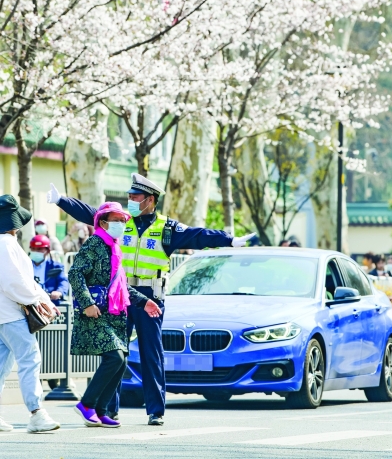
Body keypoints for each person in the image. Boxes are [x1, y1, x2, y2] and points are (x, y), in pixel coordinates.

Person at [47, 174, 254, 426]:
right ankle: (109, 410)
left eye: (135, 197)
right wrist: (61, 200)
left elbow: (198, 235)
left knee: (151, 354)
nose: (130, 201)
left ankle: (156, 411)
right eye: (129, 197)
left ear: (150, 200)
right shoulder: (120, 221)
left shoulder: (167, 228)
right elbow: (90, 212)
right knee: (116, 354)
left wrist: (228, 240)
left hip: (150, 297)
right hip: (120, 298)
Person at [69, 202, 161, 428]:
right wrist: (88, 304)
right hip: (95, 313)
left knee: (121, 361)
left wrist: (145, 301)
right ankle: (86, 404)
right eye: (116, 220)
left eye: (123, 221)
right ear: (102, 222)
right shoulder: (94, 243)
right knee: (115, 358)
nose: (120, 224)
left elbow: (120, 286)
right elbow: (75, 273)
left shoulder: (115, 249)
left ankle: (101, 411)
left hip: (113, 314)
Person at [0, 195, 60, 433]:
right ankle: (36, 413)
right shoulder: (6, 244)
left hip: (4, 314)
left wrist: (39, 298)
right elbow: (15, 283)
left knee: (3, 366)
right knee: (29, 359)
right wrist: (39, 300)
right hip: (11, 314)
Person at [30, 235, 70, 306]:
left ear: (47, 250)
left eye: (39, 249)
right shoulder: (25, 265)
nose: (36, 251)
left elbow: (63, 281)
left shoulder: (56, 266)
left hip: (50, 303)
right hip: (31, 303)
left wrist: (59, 292)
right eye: (33, 249)